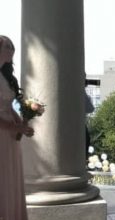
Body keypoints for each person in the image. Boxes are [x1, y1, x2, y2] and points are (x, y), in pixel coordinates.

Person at [0, 35, 34, 220]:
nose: (11, 48)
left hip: (10, 136)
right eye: (7, 46)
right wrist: (15, 128)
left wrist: (21, 124)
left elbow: (6, 106)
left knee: (10, 178)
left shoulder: (5, 75)